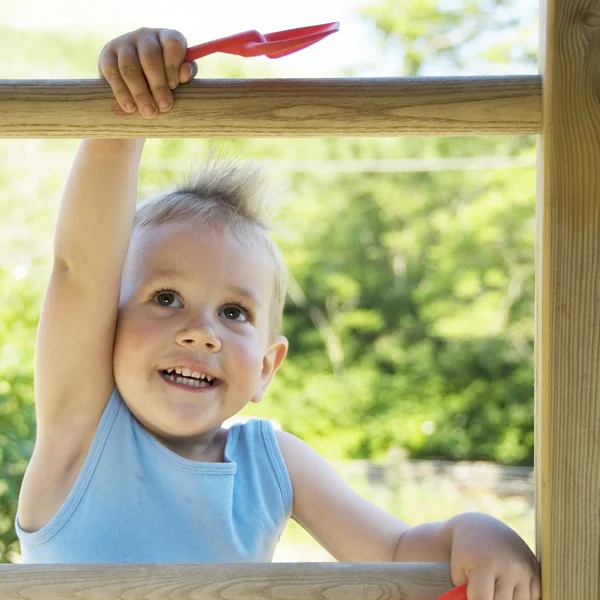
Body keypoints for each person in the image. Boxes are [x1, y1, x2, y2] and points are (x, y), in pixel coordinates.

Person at [15, 27, 540, 600]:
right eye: (166, 299)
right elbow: (81, 268)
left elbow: (392, 555)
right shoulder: (82, 429)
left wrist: (475, 532)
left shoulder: (271, 462)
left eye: (235, 312)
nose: (201, 333)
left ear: (267, 366)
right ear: (104, 330)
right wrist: (126, 110)